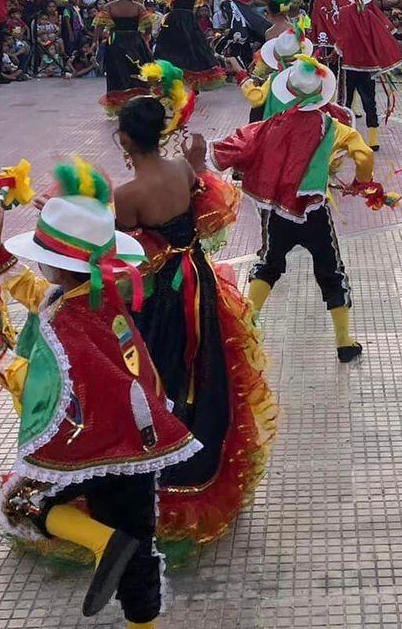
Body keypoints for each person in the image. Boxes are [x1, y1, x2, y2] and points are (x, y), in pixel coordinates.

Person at [0, 159, 197, 625]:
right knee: (139, 543)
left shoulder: (67, 323)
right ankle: (132, 587)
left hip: (97, 442)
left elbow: (43, 389)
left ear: (59, 267)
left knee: (24, 503)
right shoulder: (98, 292)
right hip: (137, 437)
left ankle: (106, 544)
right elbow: (36, 291)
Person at [99, 85, 277, 554]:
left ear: (124, 141)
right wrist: (197, 162)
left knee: (159, 372)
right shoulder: (181, 169)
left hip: (161, 296)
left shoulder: (128, 193)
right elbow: (204, 215)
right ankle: (205, 455)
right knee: (204, 366)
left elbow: (118, 254)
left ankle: (164, 467)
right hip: (198, 280)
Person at [211, 56, 376, 362]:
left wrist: (206, 155)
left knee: (270, 264)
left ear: (290, 90)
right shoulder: (333, 126)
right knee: (330, 271)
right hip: (314, 212)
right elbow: (364, 155)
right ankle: (343, 342)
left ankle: (246, 327)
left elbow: (239, 145)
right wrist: (361, 183)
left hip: (277, 212)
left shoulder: (272, 124)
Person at [324, 0, 402, 152]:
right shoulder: (369, 15)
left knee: (345, 101)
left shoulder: (345, 12)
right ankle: (373, 140)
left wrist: (334, 52)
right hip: (368, 66)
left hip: (349, 64)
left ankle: (344, 137)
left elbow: (343, 38)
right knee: (370, 102)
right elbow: (380, 36)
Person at [149, 0, 225, 90]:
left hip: (175, 20)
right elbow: (196, 6)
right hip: (189, 19)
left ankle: (171, 78)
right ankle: (192, 82)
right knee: (193, 49)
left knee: (170, 48)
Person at [97, 0, 154, 116]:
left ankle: (121, 106)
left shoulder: (110, 7)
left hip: (116, 42)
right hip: (135, 42)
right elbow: (148, 27)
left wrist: (96, 41)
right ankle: (139, 103)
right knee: (137, 72)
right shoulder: (138, 7)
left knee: (118, 73)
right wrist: (145, 37)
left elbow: (98, 27)